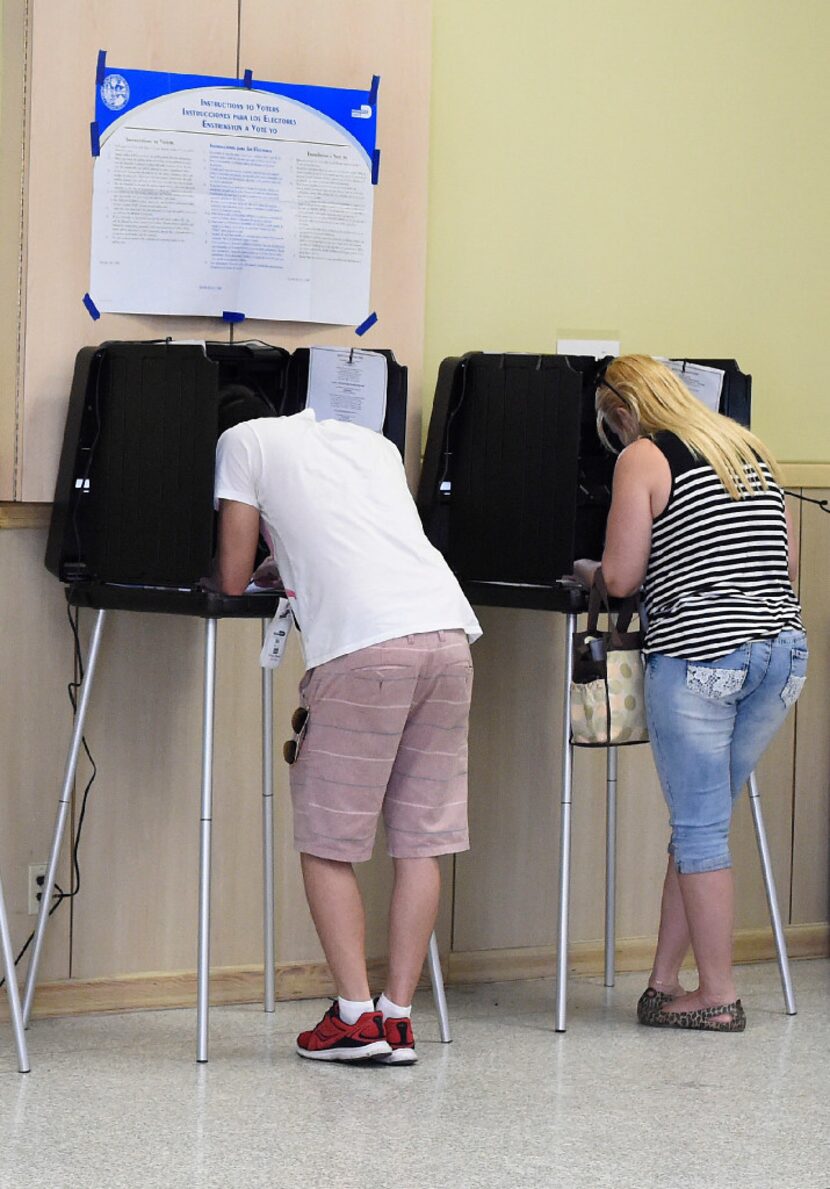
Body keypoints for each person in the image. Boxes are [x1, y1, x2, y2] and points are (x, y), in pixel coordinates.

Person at [214, 408, 481, 1063]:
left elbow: (231, 573)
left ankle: (354, 1019)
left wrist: (267, 562)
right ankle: (396, 1018)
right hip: (448, 635)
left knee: (329, 837)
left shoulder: (240, 440)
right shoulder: (372, 442)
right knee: (420, 840)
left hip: (365, 645)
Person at [574, 355, 807, 1032]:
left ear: (621, 411)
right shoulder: (747, 447)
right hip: (781, 654)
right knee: (701, 819)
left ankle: (718, 993)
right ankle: (664, 981)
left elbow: (620, 577)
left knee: (700, 828)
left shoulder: (643, 457)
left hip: (702, 654)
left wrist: (586, 566)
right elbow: (786, 564)